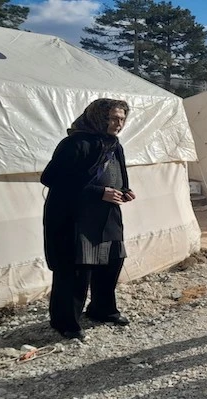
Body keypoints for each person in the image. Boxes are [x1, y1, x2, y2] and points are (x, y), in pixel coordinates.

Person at [41, 99, 134, 341]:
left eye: (122, 119)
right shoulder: (75, 143)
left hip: (107, 215)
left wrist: (125, 190)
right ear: (98, 117)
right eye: (113, 118)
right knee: (75, 269)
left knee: (111, 262)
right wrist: (98, 192)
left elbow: (117, 176)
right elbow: (51, 178)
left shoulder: (114, 145)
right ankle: (65, 321)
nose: (118, 123)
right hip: (74, 216)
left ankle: (102, 309)